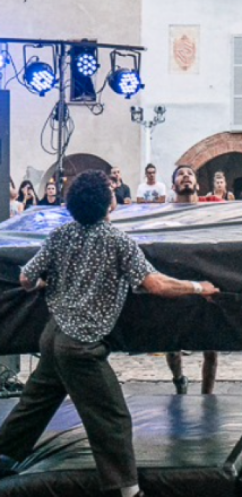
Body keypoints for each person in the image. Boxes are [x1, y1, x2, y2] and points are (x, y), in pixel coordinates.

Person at [0, 170, 218, 491]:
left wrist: (45, 281)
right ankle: (126, 490)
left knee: (33, 405)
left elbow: (25, 279)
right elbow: (155, 284)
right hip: (81, 348)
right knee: (111, 419)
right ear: (109, 205)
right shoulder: (117, 242)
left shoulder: (60, 236)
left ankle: (4, 456)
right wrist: (199, 286)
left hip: (53, 336)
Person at [164, 165, 218, 395]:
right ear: (174, 186)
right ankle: (179, 380)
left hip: (203, 280)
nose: (185, 177)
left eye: (190, 175)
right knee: (171, 343)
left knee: (211, 346)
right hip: (177, 281)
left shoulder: (209, 212)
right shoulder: (165, 214)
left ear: (197, 185)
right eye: (180, 175)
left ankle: (207, 395)